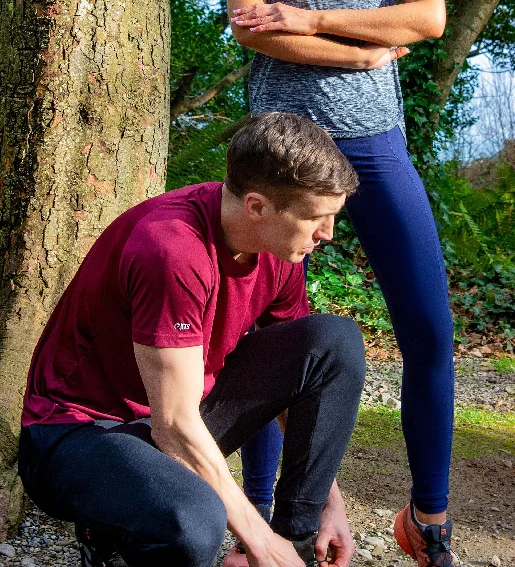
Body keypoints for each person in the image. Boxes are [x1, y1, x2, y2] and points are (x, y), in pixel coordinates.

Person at [227, 0, 455, 567]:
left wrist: (314, 18)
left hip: (375, 145)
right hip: (279, 148)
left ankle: (427, 518)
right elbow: (253, 31)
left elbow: (427, 16)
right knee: (268, 337)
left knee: (428, 328)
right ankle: (258, 521)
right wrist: (362, 54)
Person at [18, 112, 366, 567]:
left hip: (172, 417)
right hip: (77, 434)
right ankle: (113, 534)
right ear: (257, 206)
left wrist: (327, 505)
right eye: (316, 219)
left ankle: (297, 549)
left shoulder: (280, 247)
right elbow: (174, 425)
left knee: (334, 342)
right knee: (194, 520)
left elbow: (299, 382)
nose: (328, 234)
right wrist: (259, 538)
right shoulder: (172, 248)